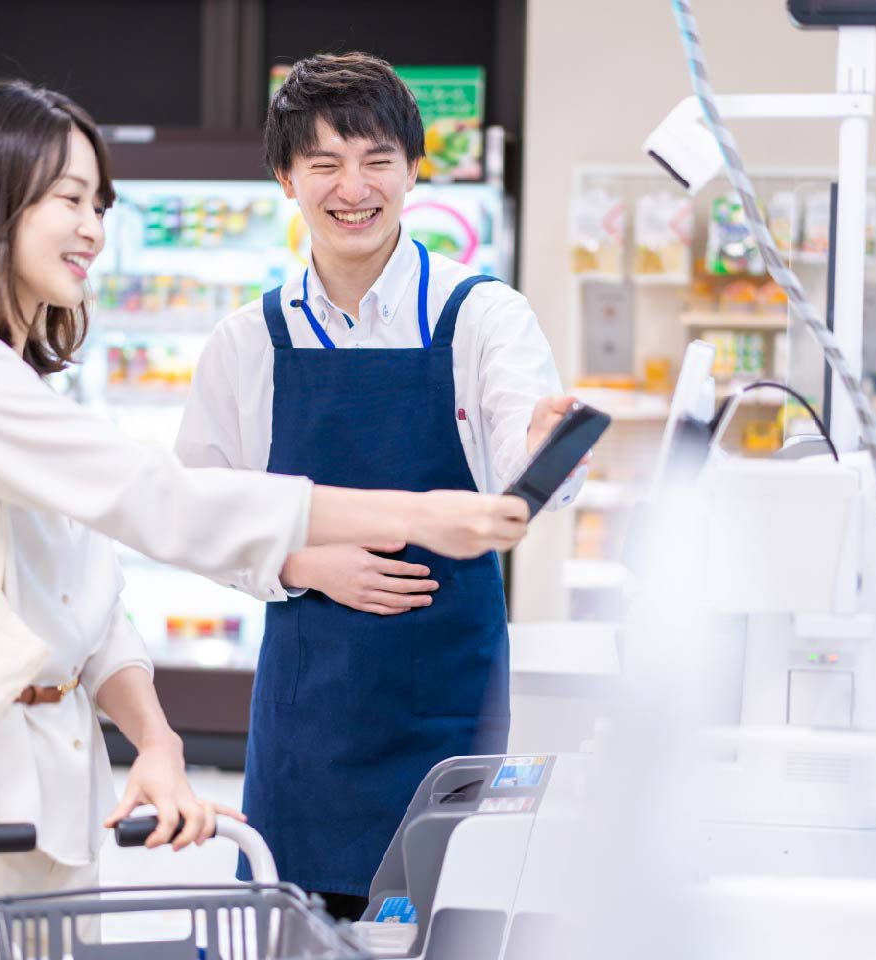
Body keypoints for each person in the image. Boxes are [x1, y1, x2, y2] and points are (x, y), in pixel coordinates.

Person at [0, 78, 530, 942]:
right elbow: (157, 496)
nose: (93, 227)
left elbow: (88, 593)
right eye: (68, 199)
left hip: (46, 783)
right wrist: (417, 515)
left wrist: (157, 740)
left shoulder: (16, 380)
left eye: (99, 201)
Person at [174, 53, 582, 920]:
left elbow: (522, 466)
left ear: (412, 168)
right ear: (286, 177)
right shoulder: (248, 342)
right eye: (323, 163)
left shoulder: (480, 316)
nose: (351, 187)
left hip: (449, 701)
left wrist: (548, 450)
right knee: (297, 925)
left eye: (375, 160)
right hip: (309, 711)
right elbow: (200, 513)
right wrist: (306, 564)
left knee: (447, 919)